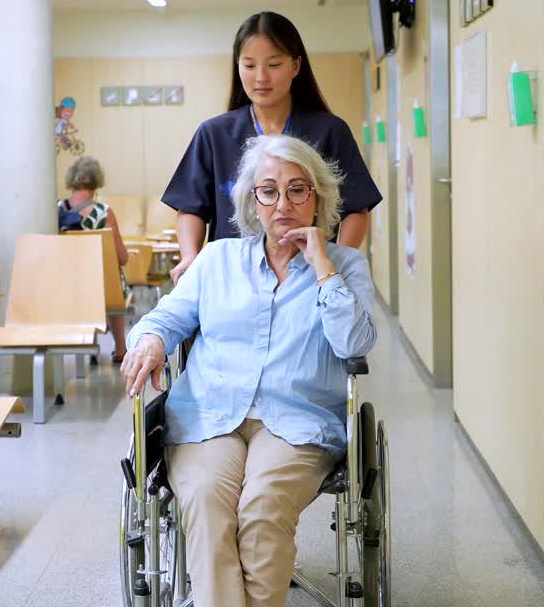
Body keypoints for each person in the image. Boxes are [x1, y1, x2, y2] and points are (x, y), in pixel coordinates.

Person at [122, 134, 376, 607]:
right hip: (207, 417)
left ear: (317, 197)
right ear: (251, 200)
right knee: (205, 503)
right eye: (269, 190)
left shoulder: (346, 265)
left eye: (298, 189)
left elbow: (355, 344)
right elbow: (164, 318)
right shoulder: (217, 260)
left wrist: (322, 264)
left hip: (297, 420)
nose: (283, 203)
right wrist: (151, 341)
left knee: (262, 510)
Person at [162, 11, 382, 282]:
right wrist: (189, 257)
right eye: (249, 65)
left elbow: (356, 209)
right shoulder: (213, 134)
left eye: (274, 64)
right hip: (233, 281)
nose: (261, 77)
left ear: (296, 66)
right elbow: (191, 207)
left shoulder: (329, 131)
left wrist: (336, 263)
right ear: (237, 66)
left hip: (307, 279)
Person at [57, 156, 130, 361]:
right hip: (101, 287)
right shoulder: (103, 212)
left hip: (65, 284)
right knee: (115, 278)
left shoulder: (55, 209)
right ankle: (120, 348)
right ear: (96, 180)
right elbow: (122, 257)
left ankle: (85, 340)